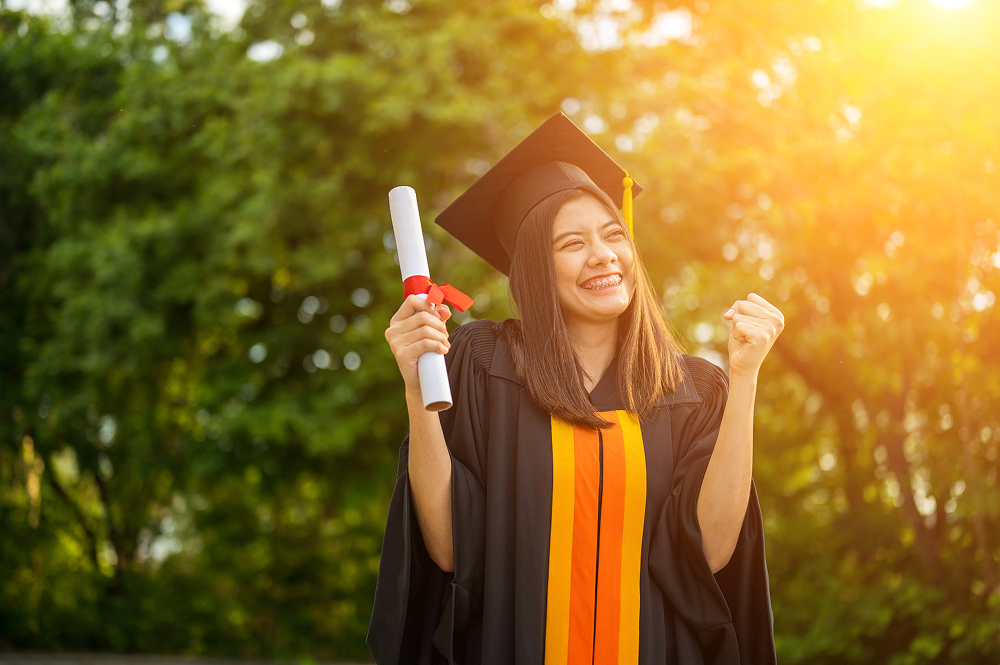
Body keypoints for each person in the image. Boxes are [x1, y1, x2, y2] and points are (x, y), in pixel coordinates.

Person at [368, 112, 783, 664]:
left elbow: (710, 551)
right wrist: (418, 390)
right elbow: (446, 548)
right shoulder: (480, 367)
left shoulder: (693, 391)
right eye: (572, 243)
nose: (603, 254)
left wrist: (747, 376)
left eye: (614, 234)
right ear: (535, 268)